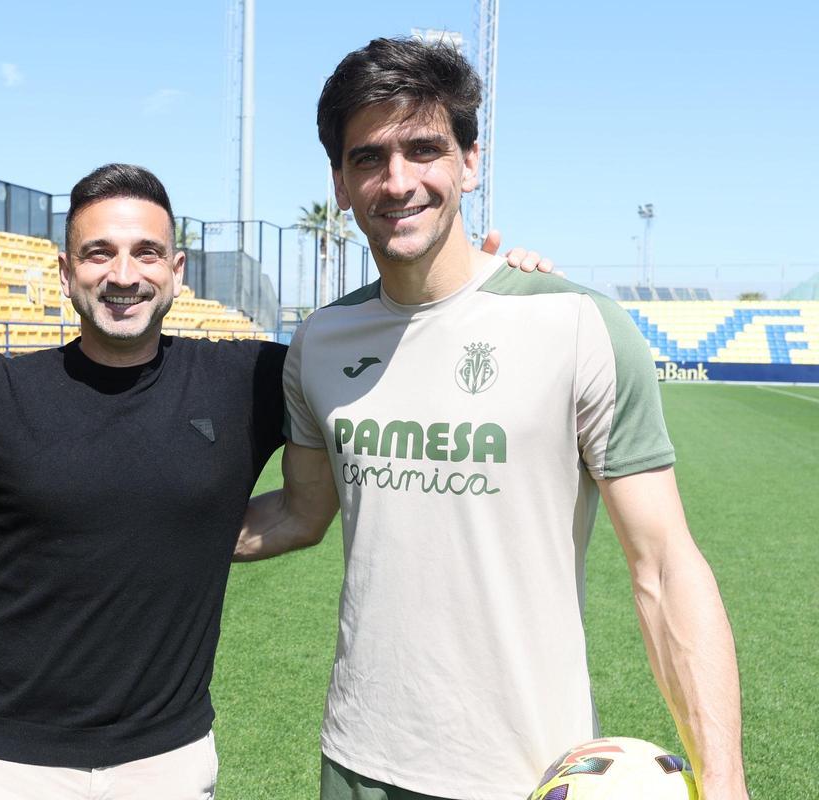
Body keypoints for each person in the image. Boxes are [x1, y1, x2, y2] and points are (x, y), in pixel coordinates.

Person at [0, 162, 546, 799]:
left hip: (168, 766)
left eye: (147, 253)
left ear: (176, 272)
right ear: (65, 272)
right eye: (98, 254)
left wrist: (484, 298)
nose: (124, 276)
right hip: (4, 767)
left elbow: (391, 378)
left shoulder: (248, 378)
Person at [235, 38, 748, 800]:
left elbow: (666, 569)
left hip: (530, 773)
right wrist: (136, 530)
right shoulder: (319, 341)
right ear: (340, 184)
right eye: (368, 157)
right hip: (356, 762)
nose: (398, 180)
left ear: (470, 163)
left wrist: (727, 781)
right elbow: (304, 513)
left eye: (424, 148)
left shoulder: (576, 324)